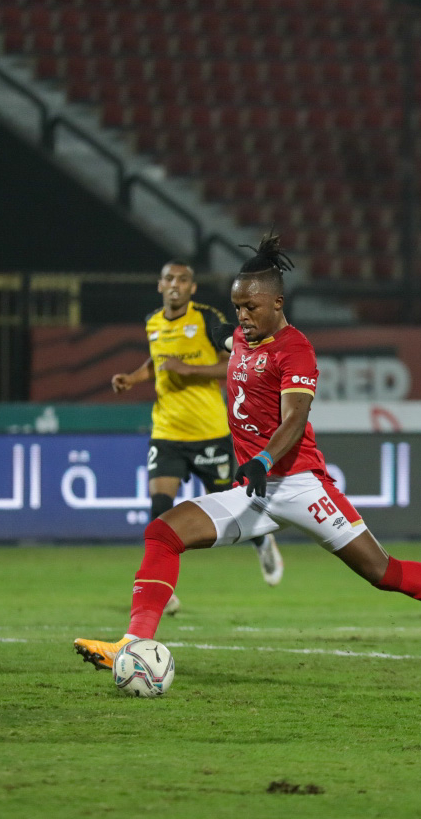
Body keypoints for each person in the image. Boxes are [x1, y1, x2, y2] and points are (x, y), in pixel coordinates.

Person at [74, 235, 421, 672]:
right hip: (254, 489)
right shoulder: (241, 340)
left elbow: (294, 418)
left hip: (300, 484)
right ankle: (133, 645)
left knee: (382, 572)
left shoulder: (296, 350)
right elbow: (226, 346)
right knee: (162, 533)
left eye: (250, 308)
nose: (242, 316)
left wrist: (264, 459)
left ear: (277, 305)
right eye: (237, 308)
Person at [110, 261, 283, 614]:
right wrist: (133, 377)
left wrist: (189, 370)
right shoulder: (152, 322)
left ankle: (262, 540)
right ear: (160, 285)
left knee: (228, 507)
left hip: (209, 431)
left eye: (183, 279)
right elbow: (156, 360)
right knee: (160, 509)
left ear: (192, 288)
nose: (175, 284)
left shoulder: (206, 319)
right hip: (167, 431)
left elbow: (236, 360)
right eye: (169, 278)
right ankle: (163, 589)